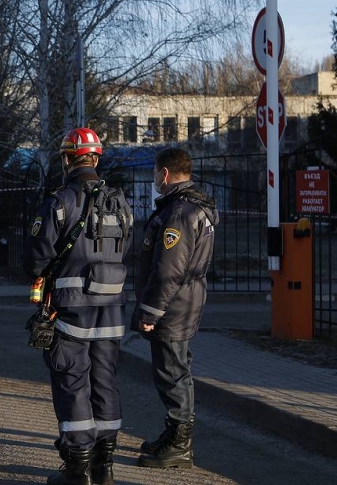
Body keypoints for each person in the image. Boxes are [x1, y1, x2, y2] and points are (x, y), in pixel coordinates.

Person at [23, 127, 133, 485]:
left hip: (71, 310)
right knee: (105, 382)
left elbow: (37, 258)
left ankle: (77, 470)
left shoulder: (60, 201)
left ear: (68, 158)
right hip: (113, 309)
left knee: (73, 383)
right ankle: (105, 467)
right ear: (96, 158)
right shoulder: (121, 201)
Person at [132, 147, 218, 469]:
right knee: (176, 371)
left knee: (172, 374)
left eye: (156, 174)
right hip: (184, 302)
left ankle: (180, 446)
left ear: (164, 174)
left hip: (172, 307)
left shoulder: (179, 214)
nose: (155, 179)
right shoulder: (194, 207)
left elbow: (169, 270)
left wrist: (150, 313)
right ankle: (173, 436)